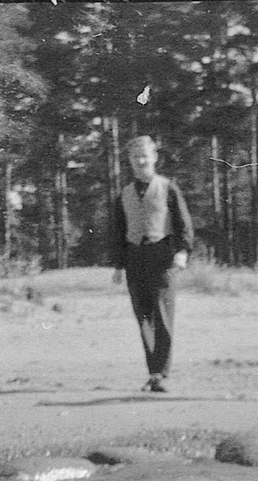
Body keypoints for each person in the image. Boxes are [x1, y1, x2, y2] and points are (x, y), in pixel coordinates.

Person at [112, 136, 194, 393]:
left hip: (162, 256)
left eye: (145, 155)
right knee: (143, 316)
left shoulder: (168, 187)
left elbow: (183, 223)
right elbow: (118, 231)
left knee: (163, 315)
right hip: (135, 258)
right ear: (129, 161)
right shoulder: (124, 193)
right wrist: (118, 265)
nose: (141, 161)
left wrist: (182, 252)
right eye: (136, 157)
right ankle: (153, 372)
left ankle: (162, 371)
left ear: (155, 157)